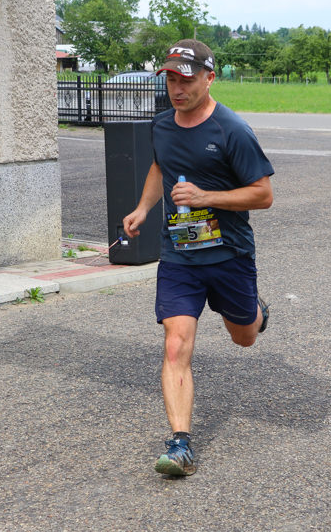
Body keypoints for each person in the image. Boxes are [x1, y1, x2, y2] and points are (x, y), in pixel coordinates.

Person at [122, 39, 274, 477]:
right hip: (180, 256)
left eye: (185, 79)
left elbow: (263, 194)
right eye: (170, 78)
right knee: (175, 345)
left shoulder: (233, 131)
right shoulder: (161, 125)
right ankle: (180, 445)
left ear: (210, 77)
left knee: (243, 337)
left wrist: (206, 196)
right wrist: (144, 208)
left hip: (229, 255)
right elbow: (159, 166)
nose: (177, 88)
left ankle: (255, 314)